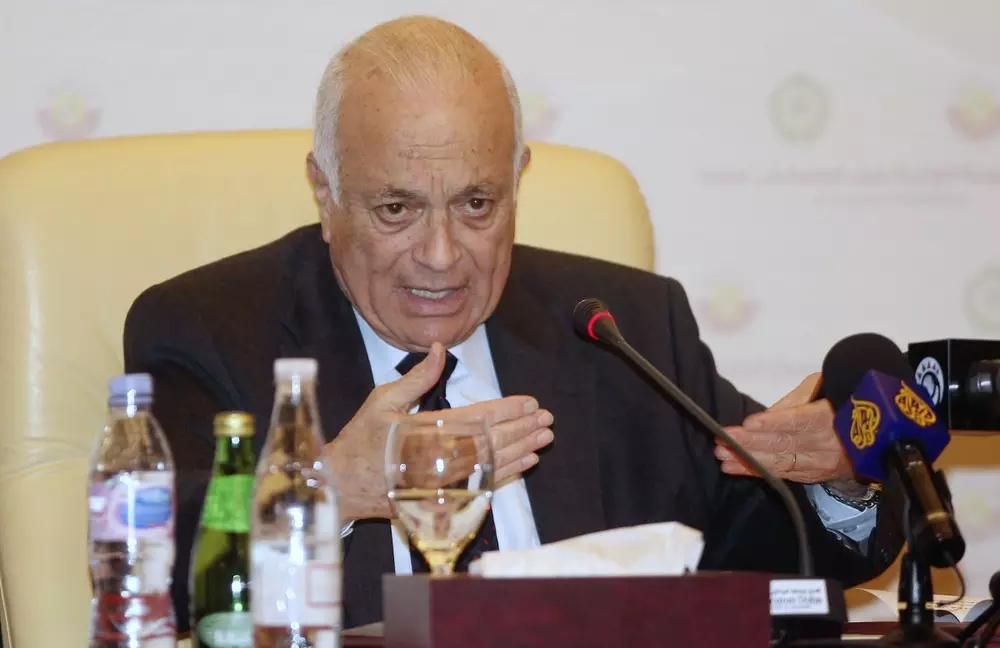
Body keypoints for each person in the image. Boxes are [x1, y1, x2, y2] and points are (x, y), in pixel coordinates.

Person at [123, 15, 903, 632]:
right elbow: (146, 569)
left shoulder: (622, 327)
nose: (441, 255)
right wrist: (324, 490)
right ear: (324, 191)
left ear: (519, 178)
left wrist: (838, 480)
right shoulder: (209, 329)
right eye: (396, 208)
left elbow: (762, 549)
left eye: (477, 204)